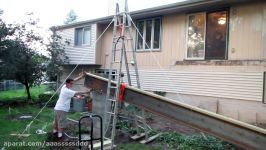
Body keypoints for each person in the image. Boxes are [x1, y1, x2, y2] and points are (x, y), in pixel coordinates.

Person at [52, 72, 90, 138]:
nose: (72, 84)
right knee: (61, 122)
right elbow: (77, 92)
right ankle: (60, 136)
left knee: (56, 121)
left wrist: (81, 77)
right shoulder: (67, 91)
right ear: (67, 83)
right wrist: (88, 91)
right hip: (62, 109)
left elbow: (74, 81)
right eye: (71, 84)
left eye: (72, 83)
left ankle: (55, 132)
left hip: (57, 108)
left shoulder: (64, 87)